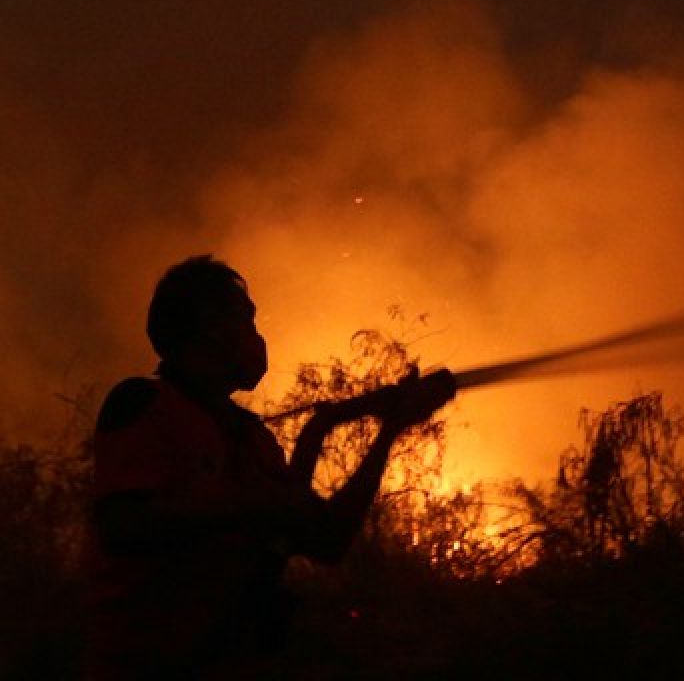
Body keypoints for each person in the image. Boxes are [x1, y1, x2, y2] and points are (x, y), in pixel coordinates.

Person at [85, 255, 455, 679]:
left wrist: (388, 430)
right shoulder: (144, 404)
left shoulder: (253, 439)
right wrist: (256, 507)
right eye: (247, 321)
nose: (256, 339)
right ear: (210, 327)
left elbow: (326, 539)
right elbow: (123, 525)